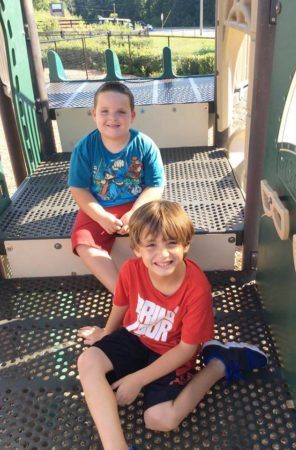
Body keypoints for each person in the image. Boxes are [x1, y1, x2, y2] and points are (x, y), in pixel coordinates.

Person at [77, 200, 268, 450]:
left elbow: (187, 349)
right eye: (151, 245)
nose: (163, 254)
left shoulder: (196, 288)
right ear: (137, 250)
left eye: (171, 243)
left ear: (186, 245)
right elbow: (121, 304)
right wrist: (106, 332)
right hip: (136, 338)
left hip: (171, 351)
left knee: (160, 419)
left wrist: (138, 379)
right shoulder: (131, 270)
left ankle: (220, 363)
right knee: (88, 361)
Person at [68, 81, 165, 294]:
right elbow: (79, 189)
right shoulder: (85, 148)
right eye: (104, 111)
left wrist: (136, 212)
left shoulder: (144, 145)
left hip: (138, 203)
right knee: (83, 241)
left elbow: (155, 186)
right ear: (93, 114)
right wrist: (101, 216)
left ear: (132, 115)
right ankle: (124, 294)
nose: (112, 117)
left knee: (161, 234)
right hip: (99, 204)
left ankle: (160, 286)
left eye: (121, 111)